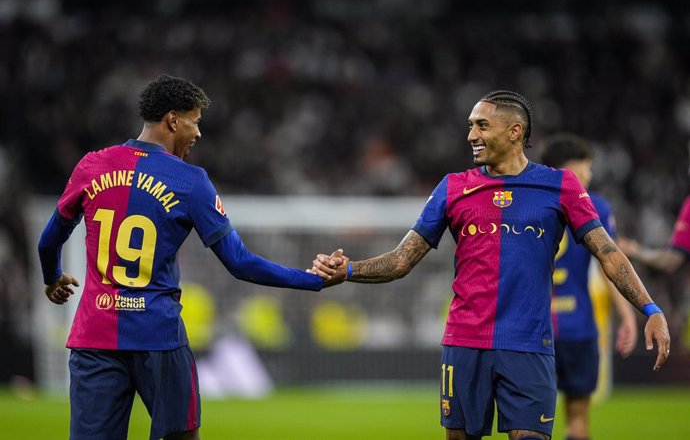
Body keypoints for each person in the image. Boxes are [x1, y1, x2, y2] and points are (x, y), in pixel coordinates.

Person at [310, 90, 670, 440]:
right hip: (464, 343)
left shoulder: (560, 186)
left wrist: (649, 308)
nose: (471, 136)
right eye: (470, 126)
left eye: (481, 125)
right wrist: (349, 270)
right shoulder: (452, 188)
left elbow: (608, 252)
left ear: (515, 132)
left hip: (529, 346)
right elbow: (402, 260)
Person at [37, 75, 341, 440]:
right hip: (159, 336)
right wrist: (314, 279)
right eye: (195, 121)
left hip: (94, 336)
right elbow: (240, 263)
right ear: (172, 120)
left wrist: (52, 277)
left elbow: (48, 240)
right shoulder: (189, 181)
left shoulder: (92, 165)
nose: (197, 133)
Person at [541, 133, 637, 440]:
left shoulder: (530, 203)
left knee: (528, 423)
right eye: (586, 168)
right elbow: (609, 266)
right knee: (578, 419)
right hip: (578, 326)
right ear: (570, 171)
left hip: (534, 328)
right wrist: (628, 314)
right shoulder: (595, 206)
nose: (590, 175)